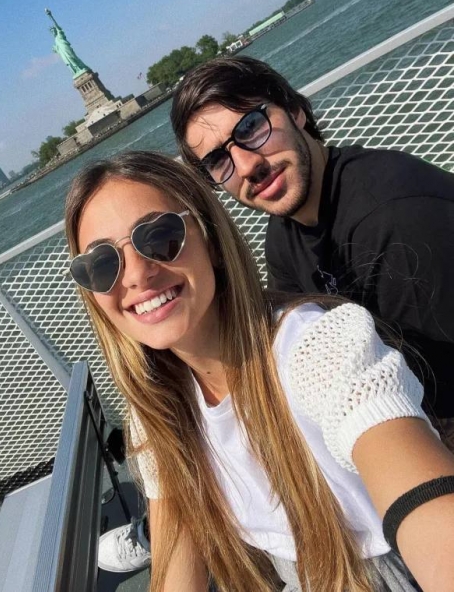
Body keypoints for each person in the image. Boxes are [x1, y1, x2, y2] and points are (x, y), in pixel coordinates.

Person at [65, 150, 454, 591]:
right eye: (102, 264)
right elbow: (177, 562)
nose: (137, 275)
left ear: (211, 240)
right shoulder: (158, 411)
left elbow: (423, 501)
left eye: (159, 236)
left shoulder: (316, 347)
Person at [170, 56, 454, 447]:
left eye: (251, 127)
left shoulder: (394, 218)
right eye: (219, 160)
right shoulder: (283, 237)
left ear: (295, 111)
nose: (247, 165)